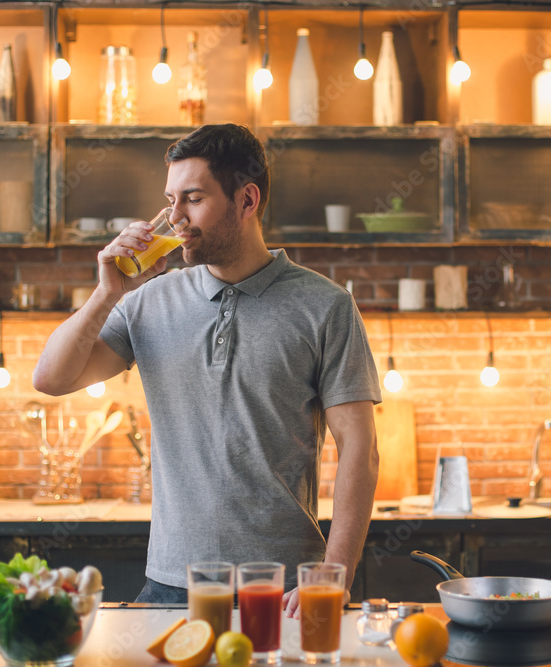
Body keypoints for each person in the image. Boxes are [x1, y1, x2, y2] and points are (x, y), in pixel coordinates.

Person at [33, 123, 381, 614]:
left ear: (247, 200)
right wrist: (106, 293)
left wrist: (335, 572)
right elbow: (51, 379)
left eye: (192, 199)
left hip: (282, 588)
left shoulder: (325, 306)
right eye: (170, 201)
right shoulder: (148, 300)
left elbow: (360, 449)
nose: (175, 218)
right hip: (170, 583)